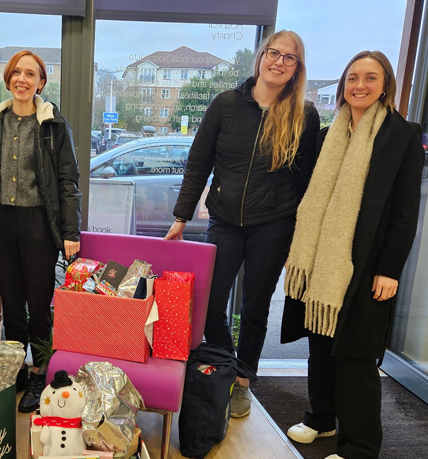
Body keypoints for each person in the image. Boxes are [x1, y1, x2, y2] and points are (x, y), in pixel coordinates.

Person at [165, 30, 320, 418]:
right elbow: (198, 163)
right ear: (261, 56)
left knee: (255, 307)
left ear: (297, 68)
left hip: (274, 224)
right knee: (211, 302)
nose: (279, 62)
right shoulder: (224, 105)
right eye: (274, 53)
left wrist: (299, 239)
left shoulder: (305, 115)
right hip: (225, 221)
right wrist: (181, 216)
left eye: (289, 58)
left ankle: (243, 381)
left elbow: (306, 184)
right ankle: (224, 365)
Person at [281, 51, 424, 459]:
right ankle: (322, 419)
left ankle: (360, 445)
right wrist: (299, 251)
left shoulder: (402, 135)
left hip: (367, 267)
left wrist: (390, 269)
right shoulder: (330, 135)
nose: (359, 85)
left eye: (370, 77)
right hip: (322, 263)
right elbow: (313, 202)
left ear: (385, 85)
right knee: (321, 345)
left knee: (356, 357)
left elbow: (405, 211)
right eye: (352, 78)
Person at [0, 50, 82, 413]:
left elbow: (67, 181)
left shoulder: (54, 125)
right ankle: (17, 371)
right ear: (9, 78)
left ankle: (41, 371)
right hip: (2, 223)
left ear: (41, 82)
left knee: (39, 306)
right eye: (16, 73)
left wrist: (70, 231)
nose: (22, 79)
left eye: (31, 74)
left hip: (39, 225)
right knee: (11, 306)